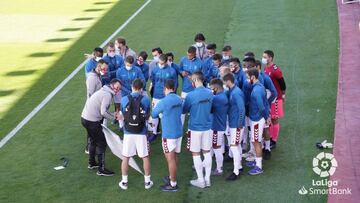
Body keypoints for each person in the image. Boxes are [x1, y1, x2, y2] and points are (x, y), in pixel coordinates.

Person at [81, 79, 122, 176]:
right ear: (111, 86)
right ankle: (101, 169)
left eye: (119, 89)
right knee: (101, 143)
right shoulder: (107, 95)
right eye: (116, 88)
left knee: (93, 140)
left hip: (85, 118)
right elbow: (103, 112)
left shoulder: (104, 90)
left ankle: (92, 163)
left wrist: (112, 114)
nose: (117, 90)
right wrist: (115, 116)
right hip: (92, 121)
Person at [119, 79, 153, 190]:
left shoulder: (124, 99)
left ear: (132, 86)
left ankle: (124, 182)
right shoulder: (146, 99)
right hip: (141, 132)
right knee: (145, 157)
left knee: (126, 157)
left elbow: (122, 115)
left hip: (128, 132)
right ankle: (147, 182)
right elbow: (147, 115)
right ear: (142, 88)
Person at [151, 79, 183, 192]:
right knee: (174, 157)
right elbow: (183, 111)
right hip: (179, 132)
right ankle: (171, 177)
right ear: (174, 88)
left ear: (165, 88)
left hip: (169, 134)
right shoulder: (179, 99)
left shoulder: (164, 101)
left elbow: (153, 114)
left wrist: (160, 111)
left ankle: (173, 184)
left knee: (170, 159)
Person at [183, 71, 213, 188]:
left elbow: (184, 110)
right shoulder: (210, 93)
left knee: (196, 153)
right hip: (207, 127)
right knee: (206, 152)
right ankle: (207, 179)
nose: (191, 83)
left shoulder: (190, 95)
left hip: (194, 128)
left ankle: (201, 180)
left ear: (195, 80)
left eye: (192, 81)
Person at [149, 54, 178, 140]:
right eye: (159, 63)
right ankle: (154, 132)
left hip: (166, 97)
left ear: (166, 62)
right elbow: (153, 81)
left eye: (162, 63)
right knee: (154, 114)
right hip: (156, 96)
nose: (160, 65)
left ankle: (166, 132)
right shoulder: (155, 69)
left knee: (166, 115)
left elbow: (175, 84)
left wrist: (172, 96)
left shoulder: (172, 71)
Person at [246, 68, 270, 175]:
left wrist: (266, 117)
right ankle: (256, 160)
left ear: (253, 77)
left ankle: (259, 166)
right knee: (255, 141)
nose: (247, 79)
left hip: (257, 119)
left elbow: (261, 106)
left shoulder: (256, 90)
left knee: (256, 142)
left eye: (248, 77)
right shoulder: (259, 86)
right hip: (256, 118)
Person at [223, 73, 245, 181]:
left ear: (228, 81)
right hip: (233, 124)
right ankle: (239, 167)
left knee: (234, 147)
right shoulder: (232, 91)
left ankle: (236, 172)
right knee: (237, 146)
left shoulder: (236, 93)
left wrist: (240, 124)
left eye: (224, 82)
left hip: (236, 125)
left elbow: (242, 109)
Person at [84, 60, 108, 154]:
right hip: (93, 109)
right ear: (98, 66)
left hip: (97, 107)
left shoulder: (97, 76)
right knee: (92, 129)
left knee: (96, 128)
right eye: (104, 69)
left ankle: (93, 146)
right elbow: (90, 95)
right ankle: (89, 147)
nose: (105, 71)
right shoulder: (92, 78)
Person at [263, 50, 286, 148]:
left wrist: (283, 95)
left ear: (270, 58)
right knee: (270, 118)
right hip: (269, 97)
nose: (263, 59)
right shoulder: (266, 68)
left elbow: (282, 84)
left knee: (274, 119)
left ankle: (274, 140)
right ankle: (270, 137)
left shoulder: (275, 70)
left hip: (276, 98)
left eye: (265, 57)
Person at [254, 60, 277, 160]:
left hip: (264, 108)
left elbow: (274, 92)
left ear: (258, 67)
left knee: (266, 128)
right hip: (255, 109)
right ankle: (261, 147)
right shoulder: (252, 79)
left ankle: (267, 148)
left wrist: (266, 103)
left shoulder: (265, 78)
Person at [209, 78, 229, 176]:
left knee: (216, 148)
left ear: (216, 88)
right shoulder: (223, 94)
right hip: (220, 124)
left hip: (217, 126)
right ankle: (206, 164)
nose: (211, 90)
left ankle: (219, 169)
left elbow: (209, 109)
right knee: (214, 147)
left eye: (212, 88)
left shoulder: (217, 98)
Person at [179, 46, 203, 125]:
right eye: (187, 55)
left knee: (194, 110)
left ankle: (192, 127)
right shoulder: (183, 59)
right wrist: (182, 72)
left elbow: (203, 76)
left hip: (195, 90)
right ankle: (180, 127)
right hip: (185, 89)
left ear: (194, 54)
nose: (188, 57)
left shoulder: (200, 62)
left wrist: (193, 77)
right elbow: (180, 69)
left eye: (190, 55)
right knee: (182, 110)